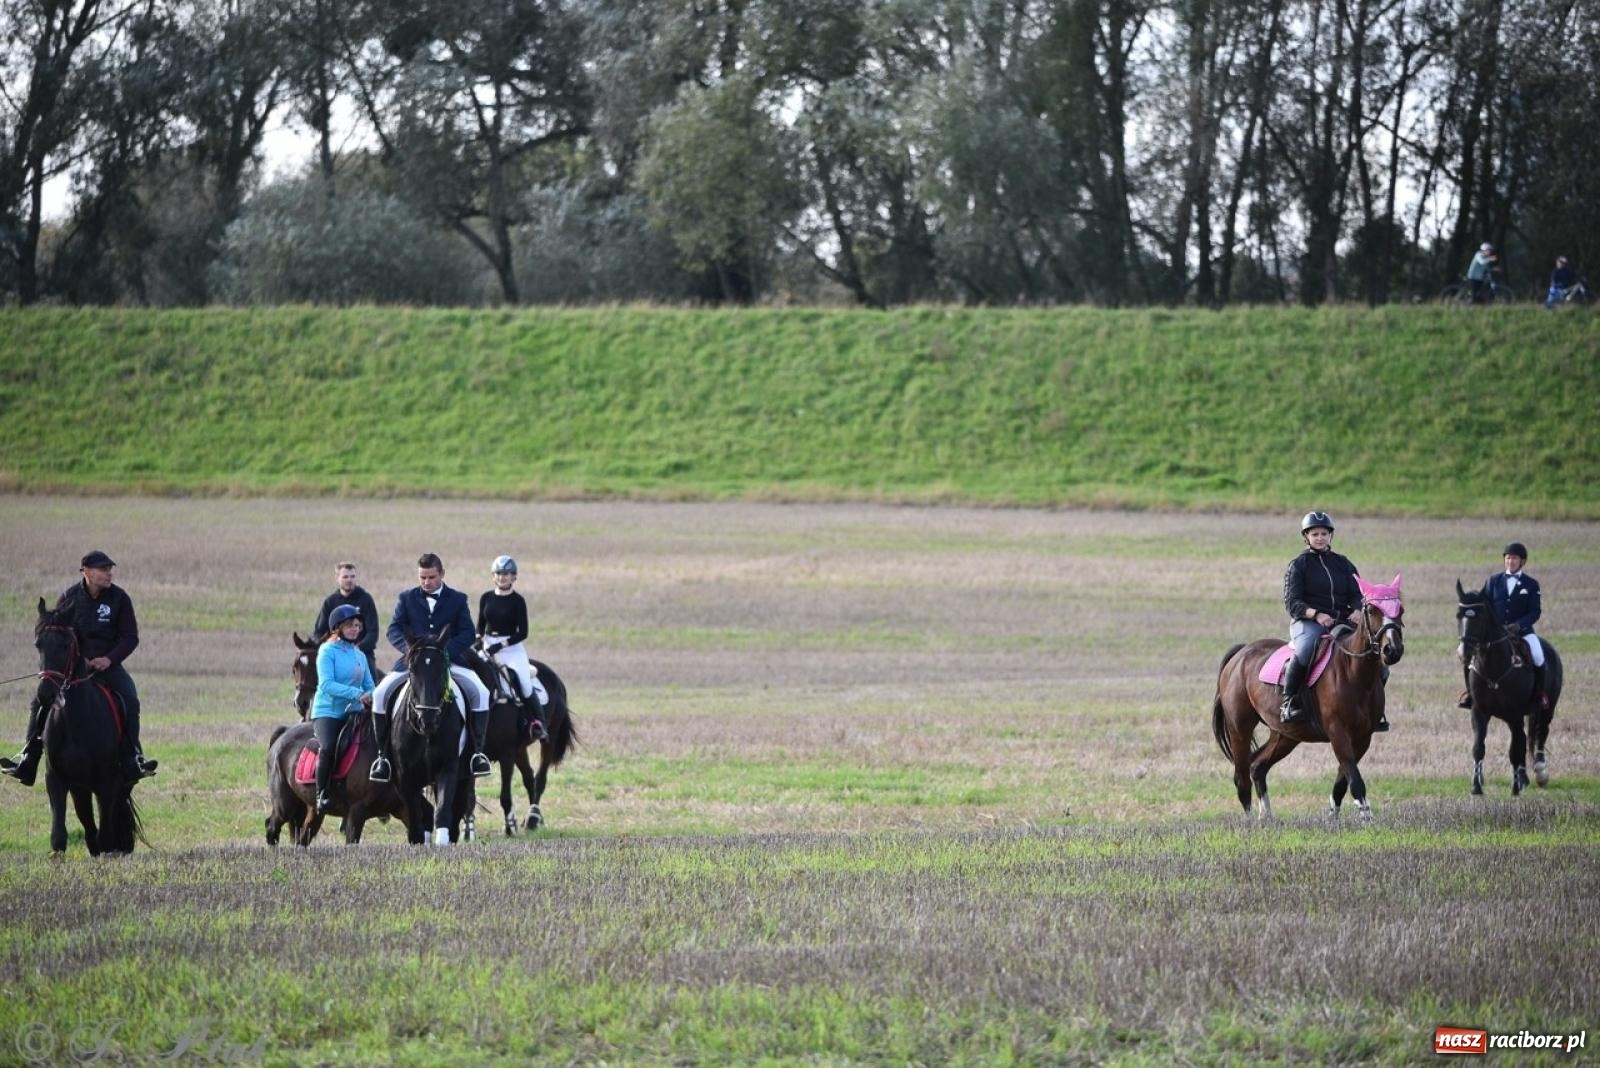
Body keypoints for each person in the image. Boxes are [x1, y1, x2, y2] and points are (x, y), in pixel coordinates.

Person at [2, 551, 157, 785]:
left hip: (109, 667)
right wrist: (79, 659)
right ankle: (28, 758)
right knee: (40, 701)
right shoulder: (69, 598)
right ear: (86, 571)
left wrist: (109, 659)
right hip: (74, 669)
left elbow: (130, 637)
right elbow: (58, 637)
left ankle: (132, 757)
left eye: (109, 569)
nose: (109, 573)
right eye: (103, 569)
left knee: (130, 699)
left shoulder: (119, 598)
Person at [367, 553, 491, 783]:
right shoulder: (406, 598)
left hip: (450, 661)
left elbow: (466, 632)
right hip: (413, 663)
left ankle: (477, 753)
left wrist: (444, 653)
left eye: (431, 577)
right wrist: (412, 651)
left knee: (481, 693)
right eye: (422, 577)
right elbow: (393, 629)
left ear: (442, 574)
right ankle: (382, 757)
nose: (426, 582)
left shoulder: (457, 599)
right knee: (380, 693)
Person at [1280, 513, 1387, 730]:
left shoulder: (1343, 564)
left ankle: (1374, 709)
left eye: (1324, 533)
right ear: (1306, 537)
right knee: (1305, 650)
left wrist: (1358, 609)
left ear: (1331, 536)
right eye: (1314, 534)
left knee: (1378, 658)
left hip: (1343, 621)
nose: (1320, 538)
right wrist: (1316, 614)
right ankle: (1289, 702)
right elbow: (1292, 602)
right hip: (1308, 622)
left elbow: (1359, 594)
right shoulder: (1298, 566)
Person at [1458, 542, 1549, 710]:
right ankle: (1470, 693)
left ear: (1522, 561)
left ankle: (1539, 694)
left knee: (1538, 655)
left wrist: (1519, 625)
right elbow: (1484, 606)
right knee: (1469, 657)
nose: (1510, 561)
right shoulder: (1493, 581)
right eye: (1508, 558)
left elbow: (1535, 612)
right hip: (1496, 634)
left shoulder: (1531, 584)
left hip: (1523, 632)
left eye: (1514, 558)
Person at [310, 604, 375, 813]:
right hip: (328, 712)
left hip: (355, 711)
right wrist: (357, 694)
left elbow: (369, 685)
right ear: (337, 627)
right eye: (349, 625)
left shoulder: (360, 655)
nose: (355, 629)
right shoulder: (327, 651)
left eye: (357, 625)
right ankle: (322, 794)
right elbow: (326, 685)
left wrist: (373, 697)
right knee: (329, 747)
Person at [477, 555, 548, 743]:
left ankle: (538, 723)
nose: (502, 578)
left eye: (507, 574)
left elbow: (523, 632)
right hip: (488, 645)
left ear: (514, 577)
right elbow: (480, 626)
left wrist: (501, 645)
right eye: (499, 574)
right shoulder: (486, 598)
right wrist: (478, 640)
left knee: (524, 683)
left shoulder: (518, 601)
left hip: (512, 648)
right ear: (493, 576)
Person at [310, 561, 381, 680]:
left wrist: (358, 647)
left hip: (362, 654)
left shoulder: (365, 599)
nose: (349, 580)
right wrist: (329, 646)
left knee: (373, 687)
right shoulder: (330, 602)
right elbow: (318, 633)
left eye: (352, 576)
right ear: (337, 578)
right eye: (345, 577)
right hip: (335, 653)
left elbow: (373, 632)